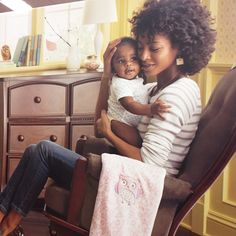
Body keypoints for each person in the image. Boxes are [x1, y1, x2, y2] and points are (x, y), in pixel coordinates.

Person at [0, 0, 216, 235]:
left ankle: (7, 224)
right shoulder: (154, 89)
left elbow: (150, 164)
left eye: (154, 48)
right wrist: (106, 73)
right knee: (35, 151)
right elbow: (100, 121)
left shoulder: (176, 94)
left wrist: (110, 133)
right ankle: (5, 222)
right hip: (127, 170)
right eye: (141, 46)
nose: (143, 56)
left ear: (181, 48)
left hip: (137, 184)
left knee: (42, 151)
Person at [106, 36, 169, 146]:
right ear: (113, 67)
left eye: (133, 58)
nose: (128, 64)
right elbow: (130, 104)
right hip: (121, 124)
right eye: (121, 61)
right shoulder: (120, 83)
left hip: (132, 124)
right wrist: (151, 109)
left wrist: (159, 85)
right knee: (139, 144)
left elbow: (141, 89)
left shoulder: (135, 80)